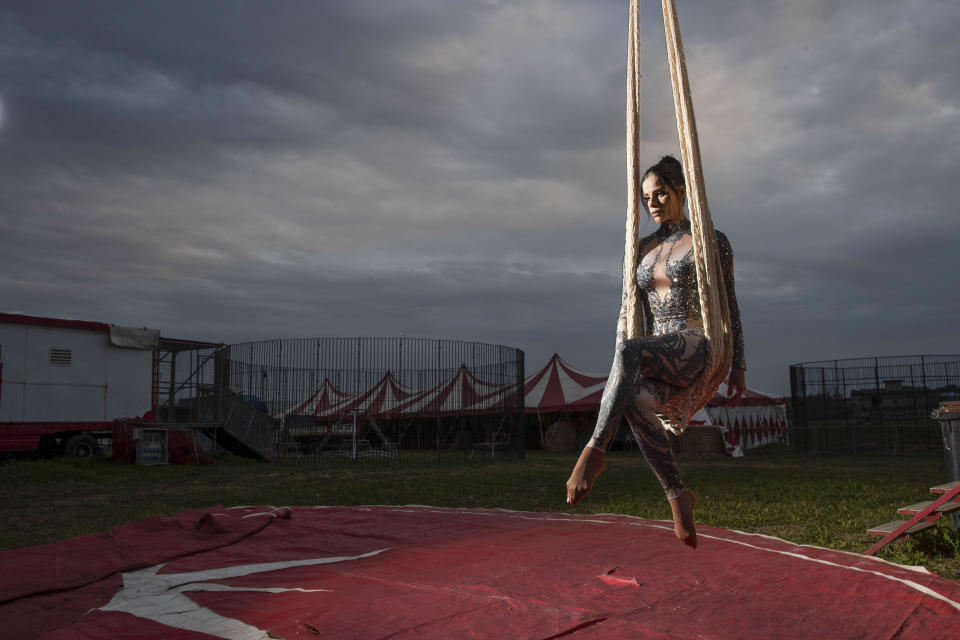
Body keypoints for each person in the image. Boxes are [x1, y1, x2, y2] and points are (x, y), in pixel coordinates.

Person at [565, 155, 746, 549]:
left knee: (629, 352)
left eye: (661, 193)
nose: (654, 203)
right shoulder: (644, 246)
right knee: (636, 400)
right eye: (647, 197)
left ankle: (594, 451)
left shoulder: (711, 239)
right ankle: (678, 495)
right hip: (657, 347)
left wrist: (738, 366)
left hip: (697, 342)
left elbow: (730, 305)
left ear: (682, 191)